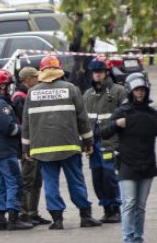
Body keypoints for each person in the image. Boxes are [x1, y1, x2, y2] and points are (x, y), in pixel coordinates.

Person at [23, 55, 101, 230]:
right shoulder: (71, 89)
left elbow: (27, 123)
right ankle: (85, 216)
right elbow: (83, 119)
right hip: (69, 146)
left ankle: (57, 220)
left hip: (43, 149)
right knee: (76, 181)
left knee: (50, 183)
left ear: (42, 71)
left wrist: (26, 148)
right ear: (59, 70)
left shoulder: (32, 93)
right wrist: (88, 142)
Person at [99, 73, 157, 243]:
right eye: (137, 89)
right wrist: (117, 124)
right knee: (129, 203)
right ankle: (129, 241)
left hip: (147, 163)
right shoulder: (123, 111)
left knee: (140, 205)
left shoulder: (151, 112)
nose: (140, 92)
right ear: (130, 90)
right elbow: (103, 132)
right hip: (127, 164)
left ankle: (138, 239)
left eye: (143, 89)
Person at [0, 69, 35, 231]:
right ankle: (13, 218)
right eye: (8, 85)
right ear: (2, 86)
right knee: (15, 183)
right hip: (5, 151)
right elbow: (9, 129)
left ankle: (0, 218)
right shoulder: (0, 105)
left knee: (1, 184)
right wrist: (25, 130)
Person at [82, 58, 128, 223]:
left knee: (110, 176)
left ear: (107, 72)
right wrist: (85, 142)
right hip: (93, 145)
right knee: (98, 177)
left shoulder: (119, 91)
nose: (97, 75)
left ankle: (115, 208)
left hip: (112, 142)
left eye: (100, 72)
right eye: (95, 72)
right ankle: (106, 208)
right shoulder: (88, 95)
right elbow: (83, 120)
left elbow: (127, 115)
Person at [12, 67, 48, 226]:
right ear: (28, 79)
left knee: (37, 180)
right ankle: (24, 213)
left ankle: (33, 213)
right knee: (27, 180)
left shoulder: (28, 95)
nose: (38, 80)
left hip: (35, 143)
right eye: (35, 77)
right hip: (27, 146)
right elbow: (26, 123)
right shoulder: (20, 98)